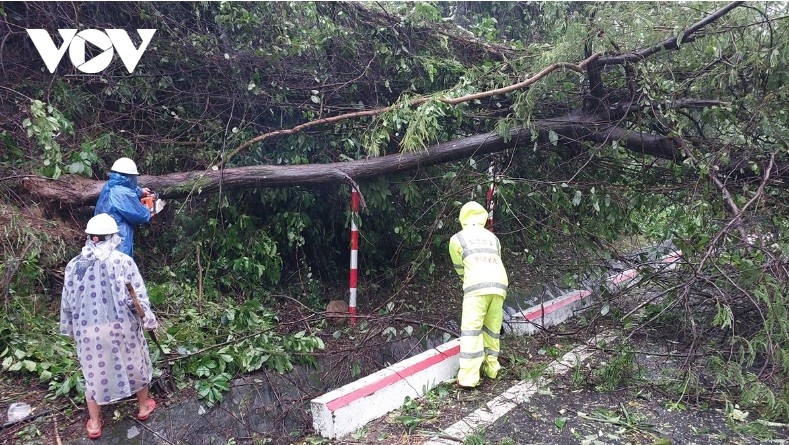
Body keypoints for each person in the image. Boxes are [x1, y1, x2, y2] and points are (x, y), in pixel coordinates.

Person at [59, 213, 158, 440]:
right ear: (112, 237)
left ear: (91, 238)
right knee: (135, 361)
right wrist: (147, 317)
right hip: (121, 327)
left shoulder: (74, 266)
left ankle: (94, 422)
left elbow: (68, 301)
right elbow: (136, 299)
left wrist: (72, 329)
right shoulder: (123, 262)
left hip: (88, 330)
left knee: (93, 372)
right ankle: (143, 406)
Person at [448, 201, 509, 388]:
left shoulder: (457, 238)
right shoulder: (493, 238)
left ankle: (468, 378)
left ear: (462, 218)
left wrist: (466, 281)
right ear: (482, 218)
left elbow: (460, 267)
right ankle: (492, 368)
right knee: (492, 328)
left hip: (476, 287)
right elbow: (496, 259)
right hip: (500, 285)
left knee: (472, 332)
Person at [94, 157, 152, 258]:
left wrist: (140, 191)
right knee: (121, 264)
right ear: (130, 177)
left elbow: (128, 188)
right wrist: (148, 210)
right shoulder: (123, 193)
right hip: (118, 235)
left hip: (101, 232)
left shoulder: (110, 185)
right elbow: (139, 216)